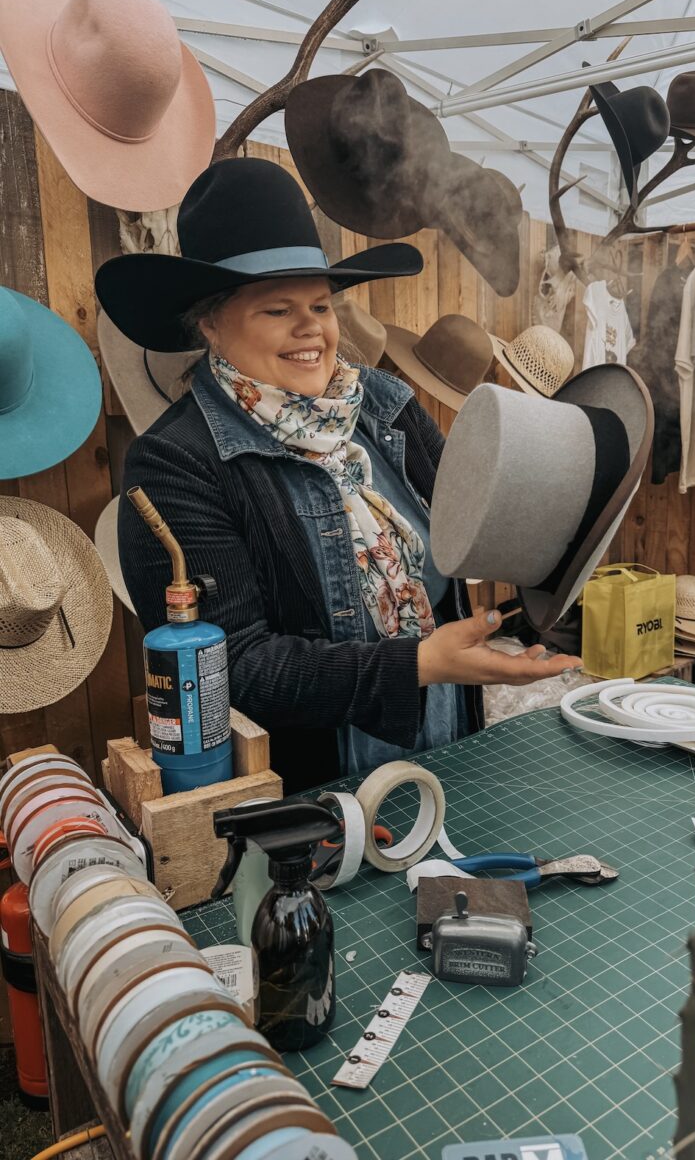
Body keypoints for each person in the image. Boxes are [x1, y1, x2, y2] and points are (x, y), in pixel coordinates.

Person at [97, 158, 580, 792]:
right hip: (315, 786)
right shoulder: (175, 465)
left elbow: (474, 520)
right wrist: (417, 664)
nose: (311, 329)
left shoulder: (383, 406)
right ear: (210, 322)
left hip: (448, 728)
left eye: (321, 305)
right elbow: (233, 669)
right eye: (278, 309)